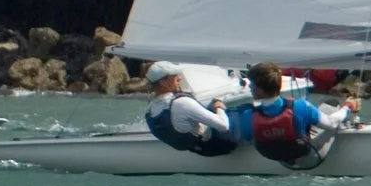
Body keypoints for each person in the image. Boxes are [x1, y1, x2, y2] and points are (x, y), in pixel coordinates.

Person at [230, 62, 358, 169]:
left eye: (252, 84)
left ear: (259, 89)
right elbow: (331, 124)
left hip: (283, 163)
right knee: (333, 106)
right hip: (311, 160)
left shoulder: (248, 115)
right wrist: (347, 107)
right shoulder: (300, 106)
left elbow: (241, 136)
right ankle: (351, 115)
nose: (250, 87)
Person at [141, 61, 236, 157]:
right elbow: (223, 126)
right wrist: (218, 105)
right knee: (240, 110)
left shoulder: (151, 109)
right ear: (164, 82)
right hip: (221, 143)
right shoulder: (182, 103)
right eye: (175, 76)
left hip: (199, 148)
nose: (180, 78)